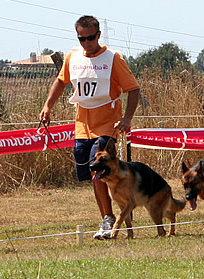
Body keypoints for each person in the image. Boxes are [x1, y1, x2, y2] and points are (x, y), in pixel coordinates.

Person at [40, 15, 140, 240]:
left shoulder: (113, 58)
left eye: (90, 38)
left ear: (98, 35)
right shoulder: (72, 57)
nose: (86, 43)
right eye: (81, 38)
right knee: (93, 174)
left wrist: (127, 118)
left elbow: (133, 89)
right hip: (82, 126)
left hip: (108, 124)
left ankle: (110, 218)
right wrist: (48, 106)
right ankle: (110, 215)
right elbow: (60, 81)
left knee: (100, 168)